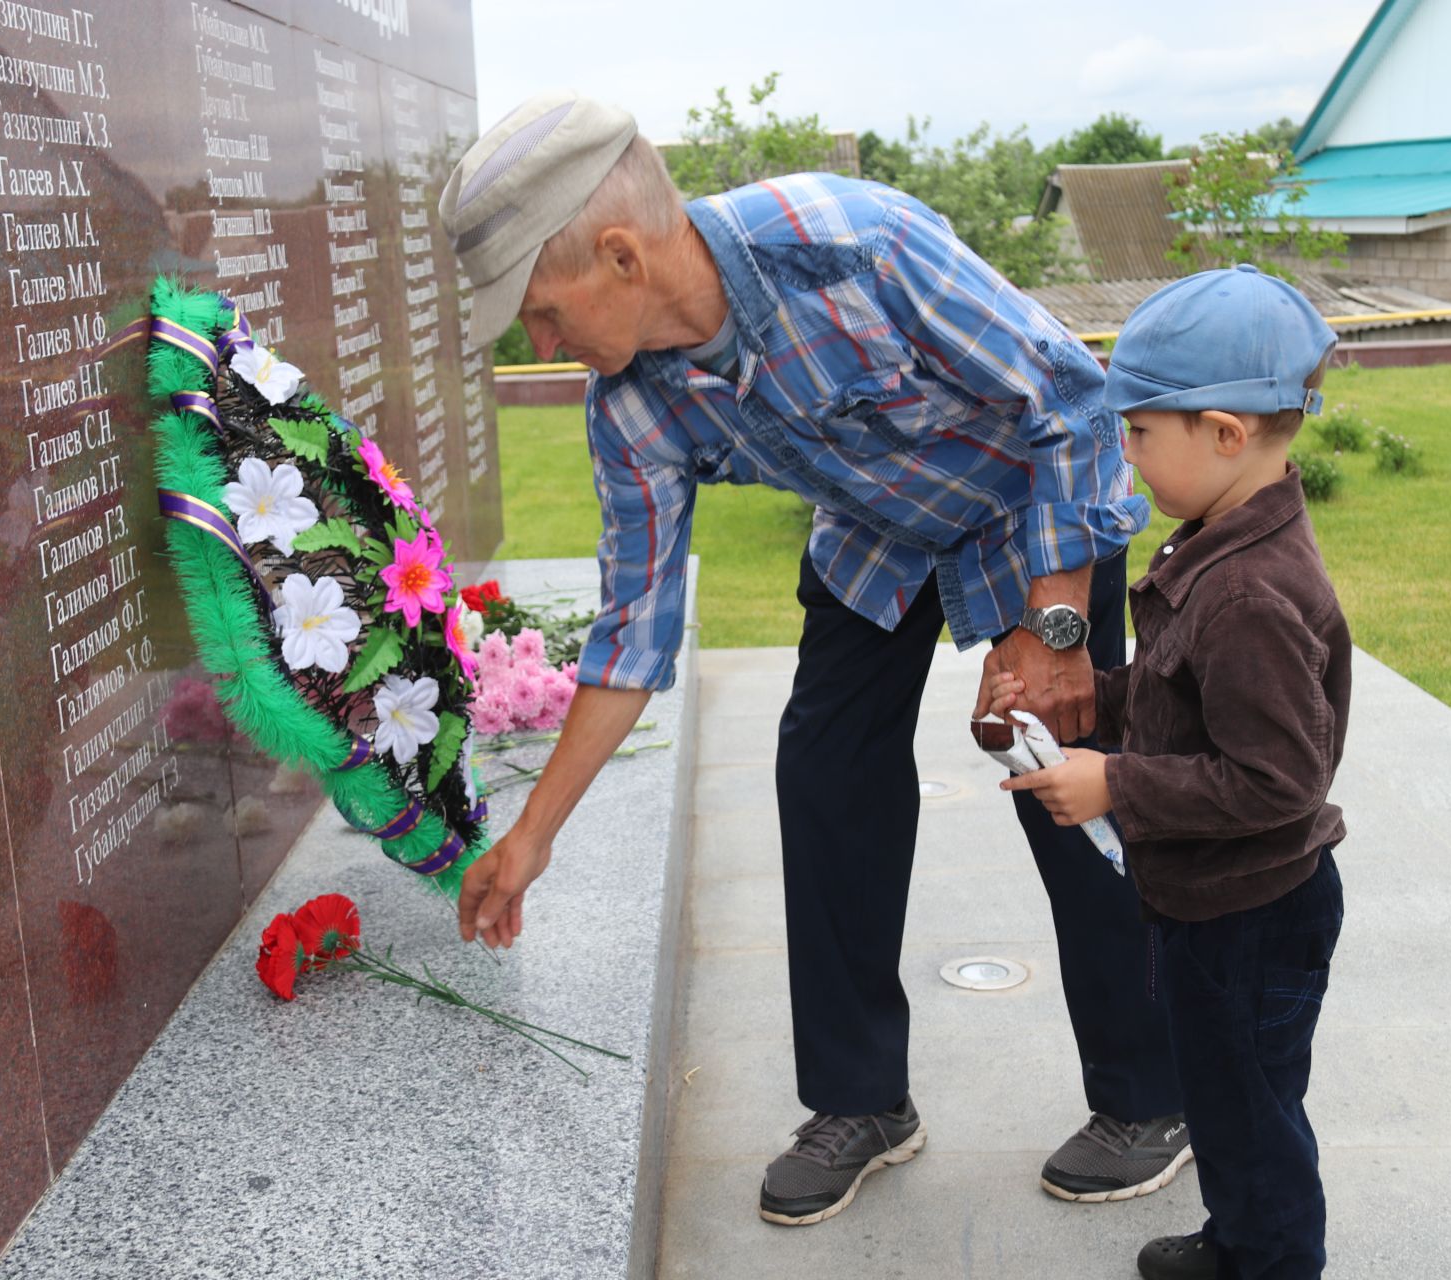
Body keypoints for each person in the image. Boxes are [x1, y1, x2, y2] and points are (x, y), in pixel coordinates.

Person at [437, 91, 1189, 1224]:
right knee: (824, 777)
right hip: (875, 538)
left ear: (621, 253)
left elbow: (1069, 399)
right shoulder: (630, 404)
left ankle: (1149, 1095)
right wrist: (531, 836)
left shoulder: (852, 244)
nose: (538, 345)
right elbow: (633, 629)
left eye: (539, 312)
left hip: (1029, 516)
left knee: (1069, 782)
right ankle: (861, 1102)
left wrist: (1055, 627)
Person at [995, 265, 1350, 1279]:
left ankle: (1270, 1256)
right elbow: (1181, 687)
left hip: (1254, 911)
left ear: (1225, 433)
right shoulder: (1219, 545)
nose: (1126, 453)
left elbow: (1277, 779)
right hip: (1214, 901)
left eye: (1139, 431)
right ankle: (1238, 1236)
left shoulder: (1247, 592)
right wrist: (1092, 701)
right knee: (1227, 1093)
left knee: (1252, 1108)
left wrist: (1117, 784)